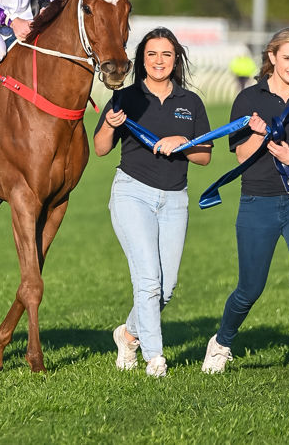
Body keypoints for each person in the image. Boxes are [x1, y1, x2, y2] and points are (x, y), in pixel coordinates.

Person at [201, 28, 289, 381]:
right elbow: (241, 155)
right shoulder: (248, 99)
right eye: (287, 58)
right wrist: (260, 133)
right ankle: (221, 341)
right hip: (257, 201)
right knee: (250, 289)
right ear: (272, 57)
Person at [94, 27, 212, 377]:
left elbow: (205, 156)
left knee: (167, 287)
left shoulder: (190, 103)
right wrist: (110, 126)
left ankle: (128, 334)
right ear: (141, 59)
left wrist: (182, 142)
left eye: (166, 55)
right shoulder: (125, 98)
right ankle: (154, 358)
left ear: (176, 60)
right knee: (148, 280)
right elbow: (100, 148)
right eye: (151, 54)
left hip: (175, 199)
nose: (159, 61)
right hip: (132, 193)